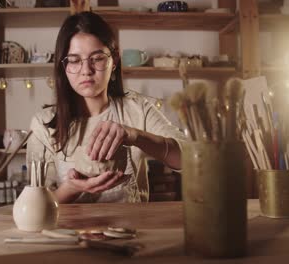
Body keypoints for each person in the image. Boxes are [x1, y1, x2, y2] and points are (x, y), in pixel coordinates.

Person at [27, 11, 185, 203]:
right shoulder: (43, 123)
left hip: (130, 230)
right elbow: (36, 202)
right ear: (63, 67)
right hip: (68, 232)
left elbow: (188, 159)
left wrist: (134, 136)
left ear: (114, 61)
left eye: (97, 58)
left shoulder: (138, 109)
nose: (86, 70)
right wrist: (71, 188)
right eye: (75, 60)